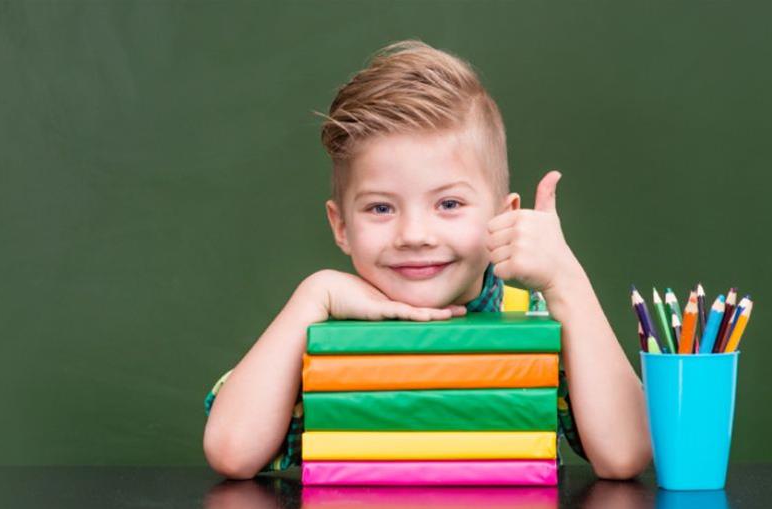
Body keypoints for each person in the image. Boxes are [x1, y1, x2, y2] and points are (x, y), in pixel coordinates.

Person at [203, 40, 651, 480]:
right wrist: (310, 295)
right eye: (381, 208)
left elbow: (626, 455)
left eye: (449, 204)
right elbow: (231, 451)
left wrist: (567, 283)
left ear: (504, 217)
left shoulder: (532, 322)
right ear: (342, 227)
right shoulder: (325, 331)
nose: (414, 236)